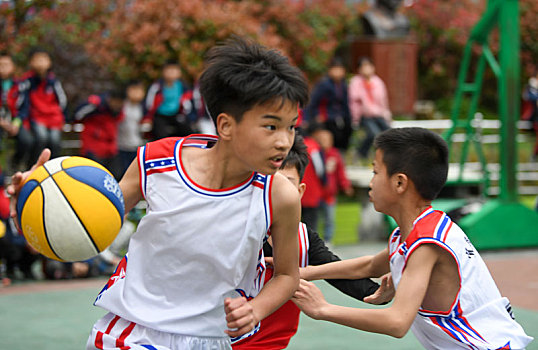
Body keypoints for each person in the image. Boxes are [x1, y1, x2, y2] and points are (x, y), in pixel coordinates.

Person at [9, 36, 309, 350]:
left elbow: (287, 275)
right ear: (226, 125)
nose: (284, 142)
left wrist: (256, 309)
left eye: (291, 127)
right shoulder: (158, 162)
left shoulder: (280, 197)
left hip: (210, 338)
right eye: (271, 127)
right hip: (133, 332)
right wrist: (37, 196)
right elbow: (92, 216)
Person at [293, 127, 533, 349]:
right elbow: (370, 266)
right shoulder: (414, 231)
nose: (370, 182)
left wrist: (322, 309)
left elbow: (396, 322)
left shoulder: (426, 243)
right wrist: (304, 272)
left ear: (399, 183)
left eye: (375, 171)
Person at [232, 134, 394, 350]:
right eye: (267, 182)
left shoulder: (302, 238)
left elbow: (338, 273)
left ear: (299, 192)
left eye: (285, 184)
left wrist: (380, 293)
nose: (275, 192)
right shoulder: (231, 230)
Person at [18, 48, 67, 164]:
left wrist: (64, 117)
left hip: (53, 117)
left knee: (55, 140)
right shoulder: (27, 81)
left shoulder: (53, 81)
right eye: (37, 60)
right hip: (36, 117)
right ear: (31, 62)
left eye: (44, 59)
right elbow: (22, 102)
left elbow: (62, 101)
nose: (41, 63)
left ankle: (54, 166)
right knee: (41, 137)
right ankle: (34, 165)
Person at [310, 123, 354, 244]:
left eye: (328, 139)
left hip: (329, 194)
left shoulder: (335, 155)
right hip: (317, 194)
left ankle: (328, 240)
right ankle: (315, 241)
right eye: (322, 139)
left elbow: (341, 173)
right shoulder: (315, 153)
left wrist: (345, 185)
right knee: (315, 219)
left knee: (329, 218)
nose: (325, 142)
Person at [303, 57, 352, 152]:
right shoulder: (324, 84)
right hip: (325, 117)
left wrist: (348, 118)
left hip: (338, 116)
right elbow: (312, 101)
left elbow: (345, 104)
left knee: (347, 129)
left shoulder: (343, 85)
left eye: (340, 69)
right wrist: (307, 119)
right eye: (335, 69)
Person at [73, 90, 125, 179]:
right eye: (116, 102)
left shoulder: (117, 111)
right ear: (110, 99)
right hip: (93, 148)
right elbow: (77, 115)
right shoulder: (96, 105)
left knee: (116, 176)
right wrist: (94, 106)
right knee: (94, 177)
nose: (117, 105)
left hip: (110, 149)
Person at [349, 56, 391, 162]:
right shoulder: (355, 82)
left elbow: (383, 101)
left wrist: (387, 115)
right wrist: (355, 118)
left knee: (389, 133)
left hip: (378, 114)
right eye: (364, 66)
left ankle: (387, 156)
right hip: (364, 116)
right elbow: (354, 101)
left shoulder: (378, 82)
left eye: (368, 66)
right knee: (373, 134)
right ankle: (361, 153)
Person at [0, 52, 33, 172]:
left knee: (27, 141)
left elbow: (24, 107)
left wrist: (16, 123)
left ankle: (16, 164)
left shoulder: (20, 85)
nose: (3, 68)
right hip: (1, 122)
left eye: (6, 64)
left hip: (15, 121)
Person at [145, 59, 192, 140]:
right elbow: (149, 102)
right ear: (163, 72)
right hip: (160, 115)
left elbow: (188, 101)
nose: (171, 72)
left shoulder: (183, 86)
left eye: (174, 70)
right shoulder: (157, 86)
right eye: (169, 70)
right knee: (160, 134)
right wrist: (148, 117)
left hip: (176, 114)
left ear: (179, 72)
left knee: (187, 131)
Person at [117, 80, 150, 175]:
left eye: (139, 90)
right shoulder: (122, 105)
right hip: (121, 146)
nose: (137, 93)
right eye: (134, 90)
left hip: (137, 146)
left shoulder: (144, 107)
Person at [522, 70, 538, 162]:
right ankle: (534, 155)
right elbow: (527, 97)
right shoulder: (531, 87)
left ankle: (534, 155)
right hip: (533, 117)